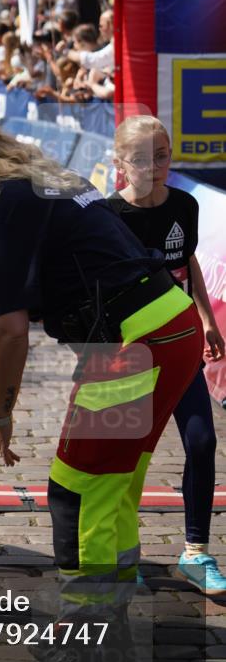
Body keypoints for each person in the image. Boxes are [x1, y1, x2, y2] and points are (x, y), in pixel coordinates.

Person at [0, 101, 204, 662]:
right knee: (113, 488)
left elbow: (9, 331)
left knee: (79, 492)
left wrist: (1, 412)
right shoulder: (46, 176)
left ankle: (85, 660)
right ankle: (109, 633)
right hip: (167, 327)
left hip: (132, 345)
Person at [109, 115, 225, 596]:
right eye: (140, 158)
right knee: (125, 454)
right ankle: (122, 551)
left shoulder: (184, 204)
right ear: (120, 163)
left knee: (202, 441)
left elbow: (187, 260)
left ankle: (195, 552)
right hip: (130, 353)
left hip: (181, 345)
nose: (153, 167)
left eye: (161, 156)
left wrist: (207, 319)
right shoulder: (107, 216)